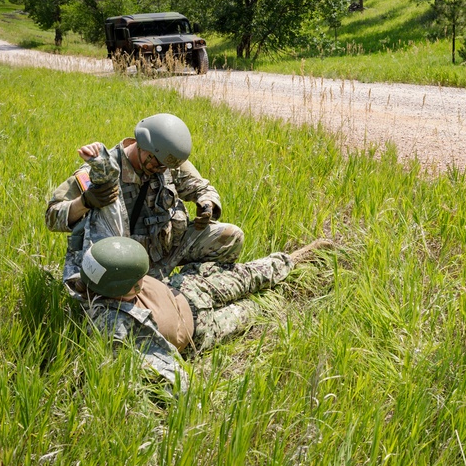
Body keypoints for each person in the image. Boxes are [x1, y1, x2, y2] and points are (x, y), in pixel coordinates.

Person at [74, 236, 324, 393]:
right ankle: (290, 293)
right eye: (137, 280)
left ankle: (292, 260)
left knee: (248, 275)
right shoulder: (113, 323)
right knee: (253, 310)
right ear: (118, 287)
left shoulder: (100, 275)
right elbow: (157, 369)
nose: (142, 280)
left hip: (190, 290)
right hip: (204, 327)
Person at [46, 113, 245, 291]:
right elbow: (52, 217)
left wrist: (207, 205)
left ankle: (184, 286)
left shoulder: (166, 161)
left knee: (231, 236)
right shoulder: (101, 172)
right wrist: (85, 201)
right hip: (125, 263)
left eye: (165, 166)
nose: (160, 170)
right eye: (156, 164)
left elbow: (201, 187)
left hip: (168, 249)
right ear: (143, 147)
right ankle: (156, 291)